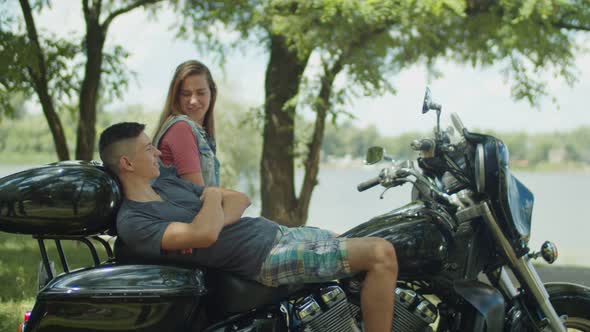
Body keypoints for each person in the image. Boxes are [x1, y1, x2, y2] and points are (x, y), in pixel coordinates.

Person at [98, 122, 398, 332]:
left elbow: (240, 199)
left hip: (280, 233)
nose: (158, 153)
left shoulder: (165, 182)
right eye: (149, 148)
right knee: (381, 254)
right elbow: (204, 234)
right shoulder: (134, 220)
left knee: (373, 240)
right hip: (264, 258)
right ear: (127, 162)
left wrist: (211, 214)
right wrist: (213, 198)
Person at [153, 60, 220, 187]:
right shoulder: (181, 129)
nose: (193, 100)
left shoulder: (202, 134)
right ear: (176, 96)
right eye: (186, 94)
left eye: (201, 93)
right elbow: (199, 194)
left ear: (212, 93)